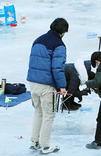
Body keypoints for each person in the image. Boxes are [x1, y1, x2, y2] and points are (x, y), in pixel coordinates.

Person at [26, 18, 69, 154]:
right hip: (46, 84)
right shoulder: (59, 45)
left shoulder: (38, 40)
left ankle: (34, 141)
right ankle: (45, 146)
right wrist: (62, 86)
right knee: (49, 115)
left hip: (33, 82)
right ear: (63, 32)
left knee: (38, 112)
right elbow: (57, 68)